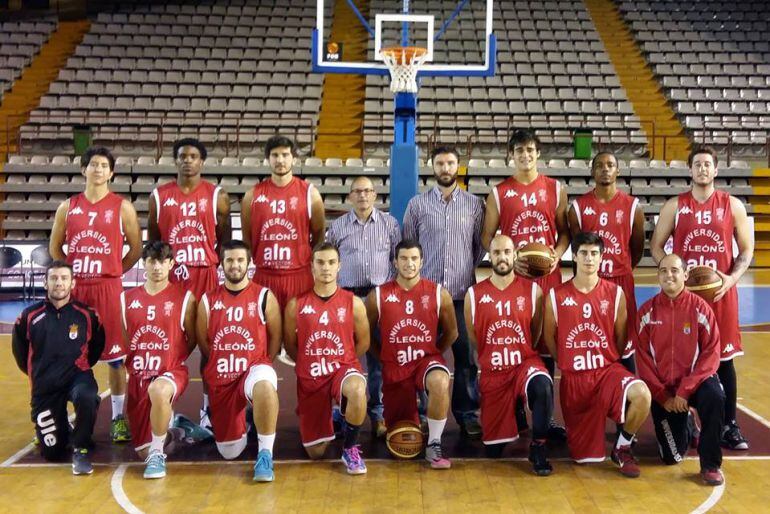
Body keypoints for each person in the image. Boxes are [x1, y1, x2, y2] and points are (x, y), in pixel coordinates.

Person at [650, 145, 753, 450]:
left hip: (720, 294)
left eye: (708, 164)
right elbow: (656, 246)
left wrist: (731, 279)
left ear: (716, 170)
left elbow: (746, 250)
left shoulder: (732, 205)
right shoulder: (674, 206)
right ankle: (689, 423)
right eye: (697, 164)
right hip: (683, 297)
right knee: (682, 359)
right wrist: (672, 276)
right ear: (690, 170)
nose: (703, 169)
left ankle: (729, 426)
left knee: (724, 360)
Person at [50, 146, 142, 443]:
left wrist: (114, 271)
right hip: (77, 292)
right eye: (93, 164)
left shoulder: (122, 207)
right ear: (83, 170)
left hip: (108, 288)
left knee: (115, 358)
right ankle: (63, 415)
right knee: (69, 357)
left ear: (111, 172)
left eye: (104, 165)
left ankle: (117, 417)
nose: (98, 169)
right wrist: (70, 277)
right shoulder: (68, 206)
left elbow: (136, 248)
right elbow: (55, 249)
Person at [543, 232, 651, 478]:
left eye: (594, 254)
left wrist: (607, 358)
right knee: (585, 460)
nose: (589, 259)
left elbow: (621, 338)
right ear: (575, 256)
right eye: (583, 253)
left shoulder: (615, 294)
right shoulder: (556, 296)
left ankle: (622, 447)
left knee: (642, 394)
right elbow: (550, 337)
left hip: (606, 374)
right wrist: (564, 360)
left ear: (602, 258)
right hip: (575, 381)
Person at [147, 137, 232, 431]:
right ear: (175, 160)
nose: (187, 160)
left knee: (210, 349)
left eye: (193, 156)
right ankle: (164, 410)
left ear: (202, 161)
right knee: (167, 346)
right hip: (173, 279)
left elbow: (223, 238)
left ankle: (208, 410)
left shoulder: (217, 196)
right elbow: (155, 241)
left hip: (205, 275)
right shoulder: (159, 196)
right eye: (182, 155)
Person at [402, 145, 484, 438]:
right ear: (432, 167)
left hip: (461, 295)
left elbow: (478, 247)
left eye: (450, 163)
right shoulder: (417, 205)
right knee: (421, 355)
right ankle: (423, 413)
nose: (445, 168)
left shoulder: (475, 205)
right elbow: (409, 247)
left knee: (465, 357)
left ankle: (466, 414)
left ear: (458, 167)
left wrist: (463, 269)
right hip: (426, 295)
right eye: (440, 163)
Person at [481, 129, 569, 378]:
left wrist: (557, 255)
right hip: (515, 278)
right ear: (511, 155)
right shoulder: (499, 193)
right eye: (519, 150)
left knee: (547, 343)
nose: (525, 154)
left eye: (530, 149)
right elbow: (487, 237)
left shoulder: (555, 189)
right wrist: (506, 261)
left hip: (548, 276)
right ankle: (516, 408)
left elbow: (564, 233)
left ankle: (545, 412)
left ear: (538, 153)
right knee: (515, 341)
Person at [465, 235, 554, 476]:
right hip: (494, 373)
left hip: (523, 364)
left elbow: (535, 334)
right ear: (489, 257)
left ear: (515, 255)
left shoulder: (534, 291)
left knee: (543, 385)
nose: (502, 257)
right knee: (494, 451)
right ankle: (514, 409)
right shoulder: (473, 295)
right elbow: (476, 338)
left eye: (506, 252)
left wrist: (519, 352)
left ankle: (539, 446)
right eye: (496, 253)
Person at [365, 240, 456, 469]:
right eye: (404, 258)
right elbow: (366, 336)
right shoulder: (377, 295)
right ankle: (412, 423)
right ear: (395, 262)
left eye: (414, 258)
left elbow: (452, 332)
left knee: (440, 380)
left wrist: (433, 354)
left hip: (425, 362)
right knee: (403, 443)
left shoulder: (438, 293)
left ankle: (434, 444)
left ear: (422, 261)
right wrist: (385, 357)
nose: (409, 263)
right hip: (395, 367)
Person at [636, 254, 725, 486]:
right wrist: (663, 397)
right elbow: (643, 361)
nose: (669, 275)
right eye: (663, 271)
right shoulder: (646, 313)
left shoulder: (701, 309)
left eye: (674, 270)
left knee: (715, 396)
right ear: (658, 276)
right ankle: (687, 423)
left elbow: (711, 355)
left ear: (685, 275)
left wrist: (685, 391)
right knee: (671, 457)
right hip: (664, 391)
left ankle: (711, 465)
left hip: (695, 384)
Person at [196, 240, 281, 482]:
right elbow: (204, 343)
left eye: (240, 260)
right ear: (221, 264)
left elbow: (275, 336)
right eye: (230, 260)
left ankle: (265, 454)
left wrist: (264, 362)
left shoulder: (264, 296)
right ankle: (243, 417)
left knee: (264, 385)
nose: (235, 265)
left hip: (253, 368)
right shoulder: (207, 300)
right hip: (223, 376)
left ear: (249, 263)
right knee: (229, 452)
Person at [283, 242, 370, 474]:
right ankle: (338, 414)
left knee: (357, 388)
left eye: (331, 263)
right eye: (320, 263)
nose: (326, 268)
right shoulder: (295, 305)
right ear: (311, 267)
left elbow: (364, 341)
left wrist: (346, 360)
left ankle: (350, 448)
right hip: (311, 378)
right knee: (316, 453)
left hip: (341, 371)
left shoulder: (353, 303)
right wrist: (307, 362)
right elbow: (290, 345)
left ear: (339, 266)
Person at [12, 261, 104, 475]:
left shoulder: (87, 315)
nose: (59, 283)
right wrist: (41, 373)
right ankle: (63, 427)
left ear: (73, 283)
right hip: (45, 387)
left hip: (76, 376)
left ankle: (81, 449)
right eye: (53, 278)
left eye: (64, 278)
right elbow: (21, 355)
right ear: (45, 283)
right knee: (52, 452)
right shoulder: (28, 317)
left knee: (87, 395)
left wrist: (80, 368)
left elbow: (96, 347)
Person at [327, 176, 401, 438]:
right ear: (349, 196)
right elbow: (329, 261)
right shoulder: (337, 227)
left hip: (379, 298)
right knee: (344, 358)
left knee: (379, 359)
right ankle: (342, 409)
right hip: (347, 298)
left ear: (375, 196)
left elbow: (397, 260)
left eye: (368, 191)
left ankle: (379, 414)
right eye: (357, 191)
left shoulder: (390, 225)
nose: (363, 196)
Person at [120, 241, 198, 479]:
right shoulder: (126, 299)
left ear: (171, 264)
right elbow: (125, 341)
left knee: (159, 389)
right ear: (144, 263)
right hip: (138, 377)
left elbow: (192, 338)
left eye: (163, 261)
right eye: (152, 261)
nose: (157, 266)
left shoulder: (185, 298)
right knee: (140, 450)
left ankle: (157, 455)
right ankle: (179, 430)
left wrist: (172, 359)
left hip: (171, 372)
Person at [568, 151, 645, 368]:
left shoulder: (633, 206)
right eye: (600, 165)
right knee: (593, 343)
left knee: (625, 345)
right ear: (592, 171)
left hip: (621, 281)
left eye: (610, 165)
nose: (605, 169)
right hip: (591, 284)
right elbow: (576, 251)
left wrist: (623, 266)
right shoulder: (578, 208)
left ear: (618, 171)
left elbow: (637, 249)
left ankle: (626, 393)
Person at [241, 135, 325, 310]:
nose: (280, 160)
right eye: (275, 155)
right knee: (264, 334)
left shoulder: (310, 193)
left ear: (294, 158)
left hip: (299, 275)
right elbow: (247, 238)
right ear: (267, 159)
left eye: (285, 155)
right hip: (264, 274)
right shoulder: (252, 195)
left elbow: (318, 236)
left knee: (299, 334)